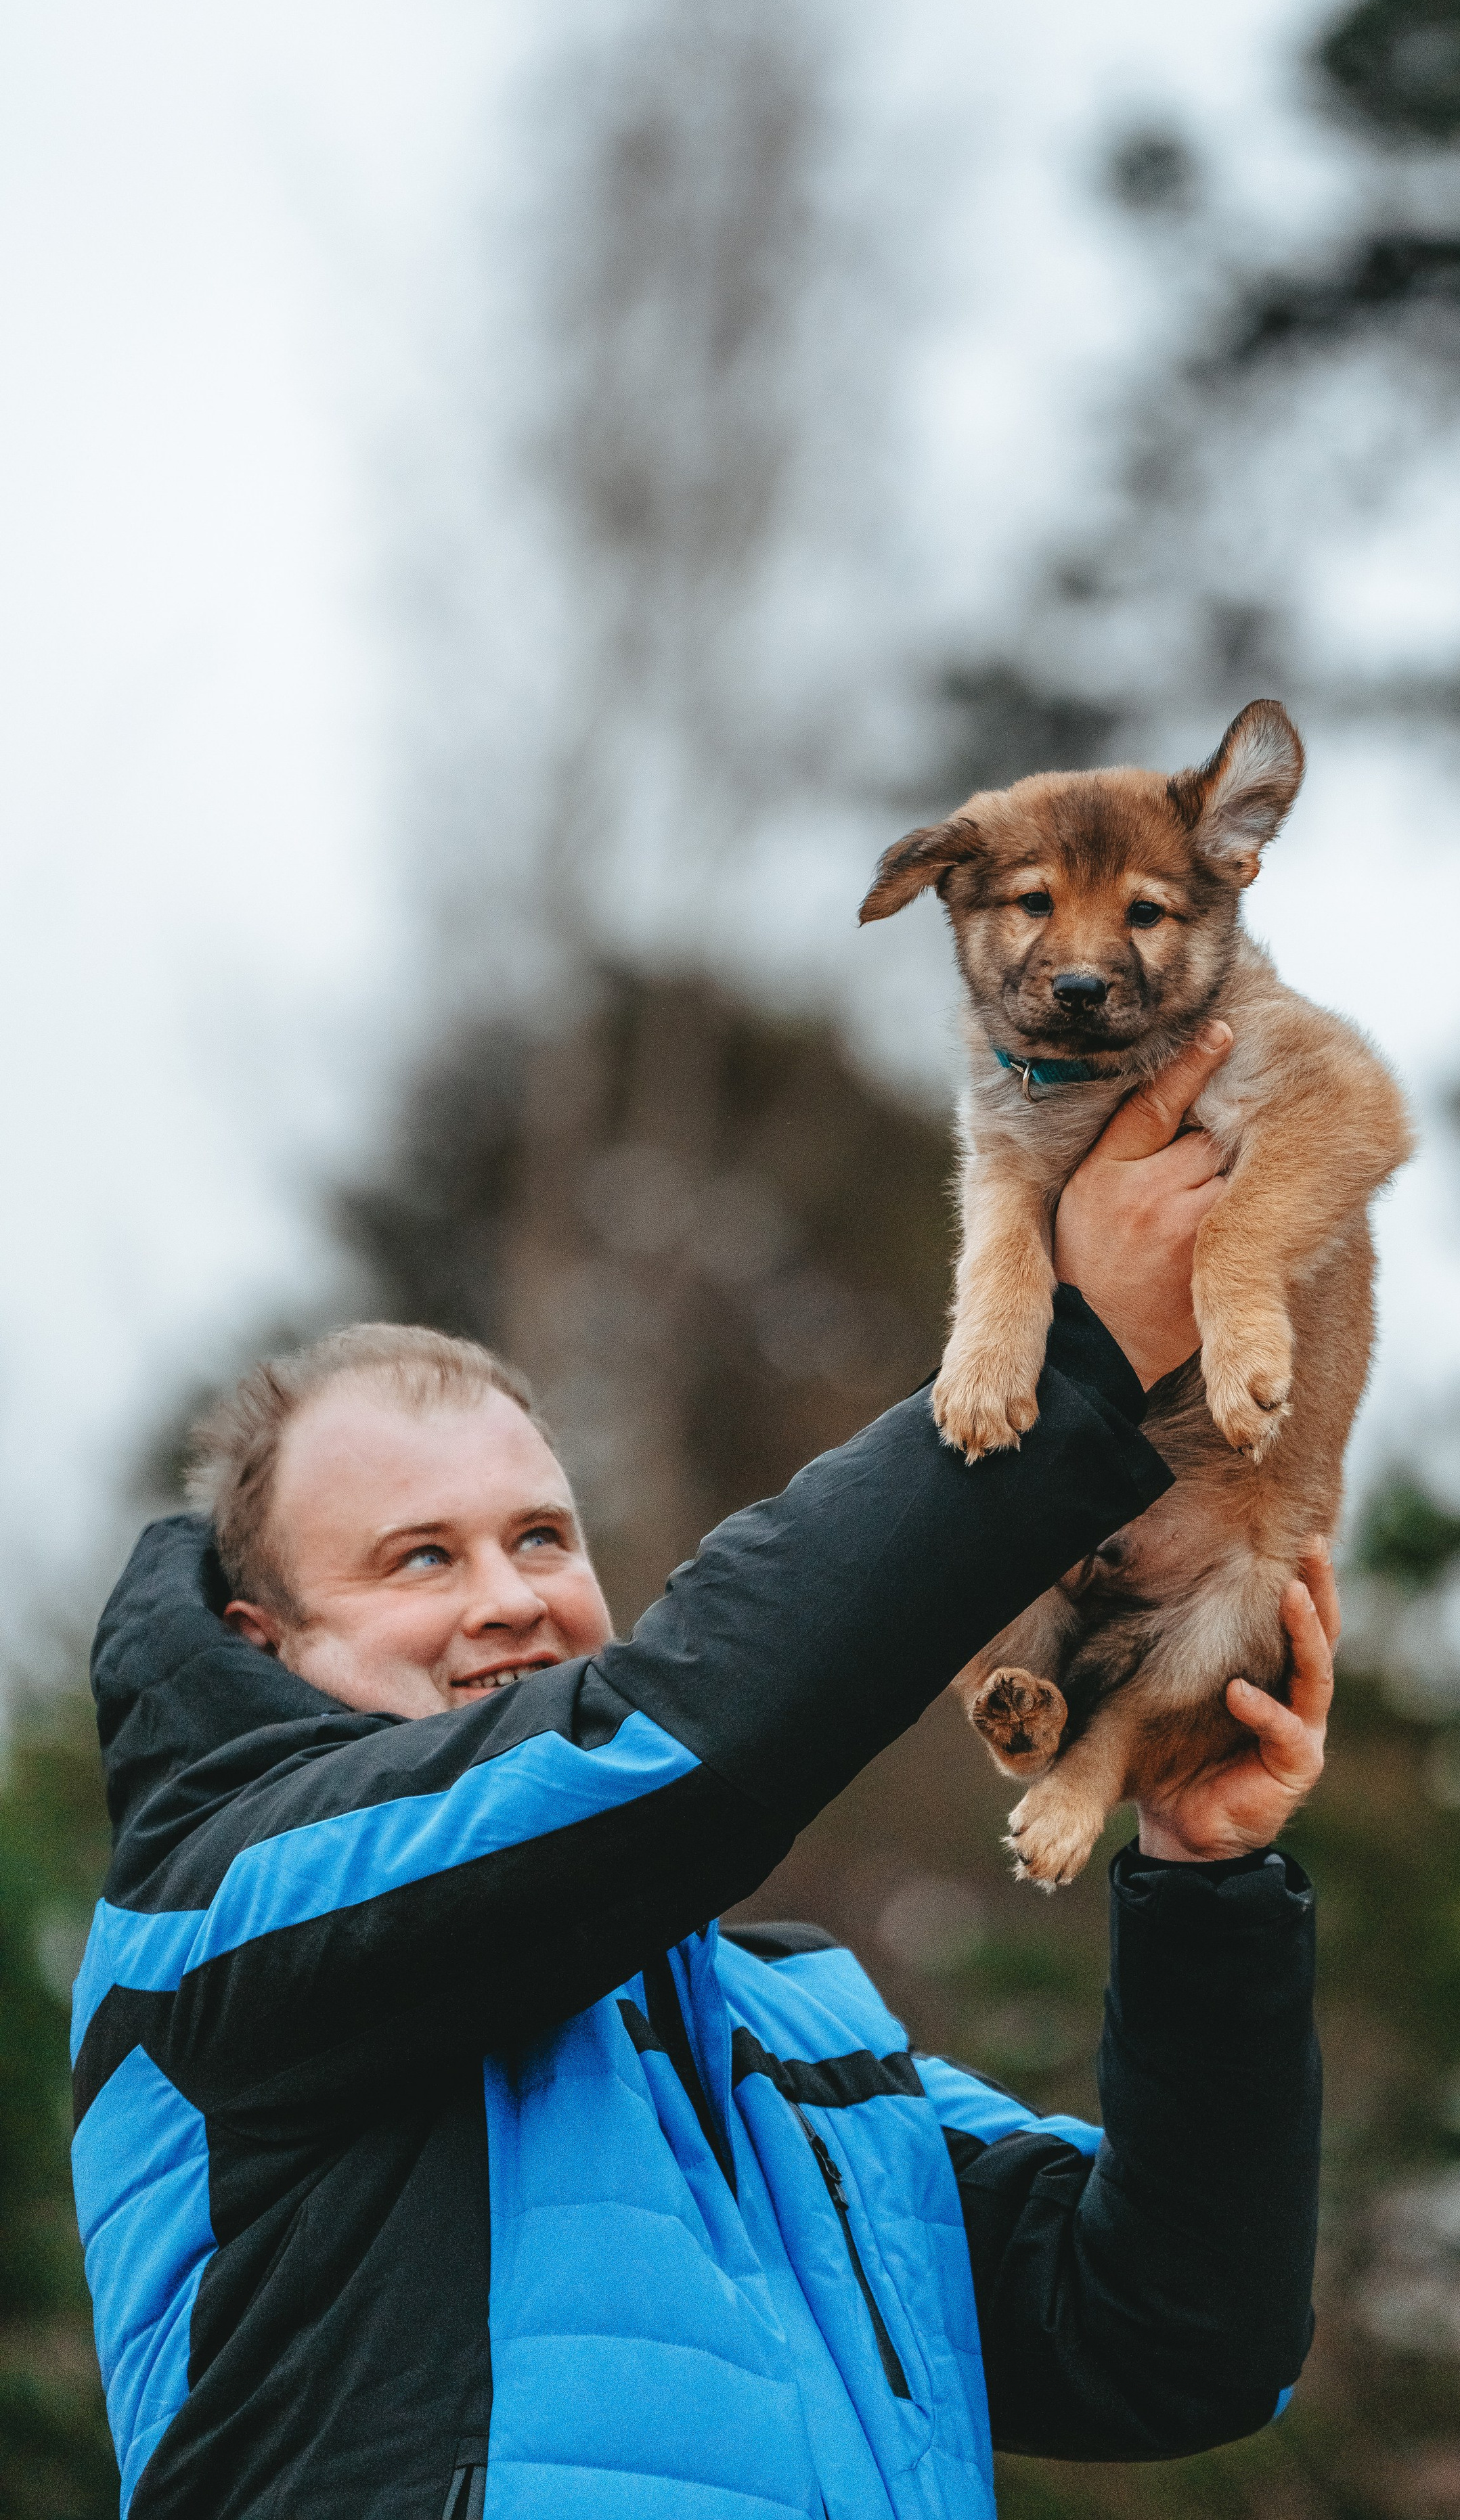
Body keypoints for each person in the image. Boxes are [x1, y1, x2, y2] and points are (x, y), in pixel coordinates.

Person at [72, 1023, 1336, 2520]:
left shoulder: (795, 2029)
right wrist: (1069, 1354)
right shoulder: (219, 1914)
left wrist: (1201, 1878)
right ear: (262, 1638)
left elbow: (1180, 2336)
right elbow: (674, 1737)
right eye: (421, 1555)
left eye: (541, 1536)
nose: (508, 1593)